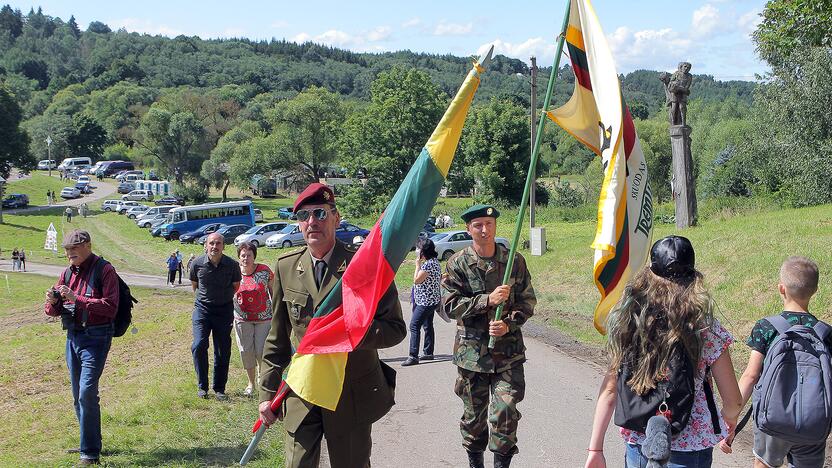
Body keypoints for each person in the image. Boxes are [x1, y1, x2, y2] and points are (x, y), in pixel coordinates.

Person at [258, 183, 405, 468]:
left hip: (349, 395)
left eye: (320, 214)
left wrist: (351, 333)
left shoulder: (363, 265)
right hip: (303, 390)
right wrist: (267, 394)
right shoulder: (286, 267)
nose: (312, 222)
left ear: (336, 218)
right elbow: (276, 338)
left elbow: (395, 329)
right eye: (304, 215)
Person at [584, 236, 743, 468]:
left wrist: (595, 449)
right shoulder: (706, 328)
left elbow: (610, 390)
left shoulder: (630, 322)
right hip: (690, 447)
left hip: (640, 441)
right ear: (693, 276)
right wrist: (729, 418)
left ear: (649, 273)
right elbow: (734, 401)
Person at [441, 204, 536, 468]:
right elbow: (449, 306)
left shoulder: (513, 261)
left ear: (495, 227)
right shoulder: (457, 263)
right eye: (478, 225)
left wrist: (508, 324)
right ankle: (475, 463)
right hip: (472, 357)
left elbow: (527, 301)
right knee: (474, 418)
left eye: (489, 224)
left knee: (505, 413)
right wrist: (486, 300)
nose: (485, 230)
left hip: (508, 355)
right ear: (469, 229)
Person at [723, 256, 828, 468]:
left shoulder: (767, 327)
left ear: (781, 289)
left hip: (773, 419)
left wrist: (731, 417)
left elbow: (751, 375)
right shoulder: (825, 333)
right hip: (814, 422)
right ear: (816, 291)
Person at [43, 230, 119, 465]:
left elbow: (110, 307)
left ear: (87, 245)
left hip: (97, 337)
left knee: (87, 392)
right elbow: (51, 311)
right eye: (66, 250)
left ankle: (90, 452)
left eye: (73, 248)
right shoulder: (66, 273)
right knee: (77, 395)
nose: (69, 253)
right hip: (73, 337)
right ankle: (89, 442)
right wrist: (54, 301)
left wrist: (77, 298)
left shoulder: (105, 270)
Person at [190, 232, 241, 400]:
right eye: (211, 243)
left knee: (222, 350)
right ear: (206, 245)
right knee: (198, 345)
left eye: (218, 243)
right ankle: (202, 386)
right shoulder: (197, 264)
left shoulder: (232, 265)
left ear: (223, 246)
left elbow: (236, 286)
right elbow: (195, 286)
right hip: (202, 310)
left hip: (224, 311)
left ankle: (219, 388)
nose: (215, 246)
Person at [233, 241, 275, 397]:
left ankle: (262, 379)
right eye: (243, 255)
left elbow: (274, 292)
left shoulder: (264, 271)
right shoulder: (234, 272)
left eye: (248, 255)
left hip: (264, 318)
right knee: (246, 351)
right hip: (242, 319)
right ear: (239, 257)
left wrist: (278, 313)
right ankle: (250, 383)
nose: (245, 258)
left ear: (254, 256)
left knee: (261, 351)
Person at [402, 238, 442, 366]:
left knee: (414, 326)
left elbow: (416, 280)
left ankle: (413, 356)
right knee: (428, 326)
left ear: (423, 251)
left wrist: (417, 266)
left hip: (426, 302)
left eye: (418, 248)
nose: (416, 250)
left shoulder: (427, 265)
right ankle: (428, 352)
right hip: (432, 300)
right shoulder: (435, 262)